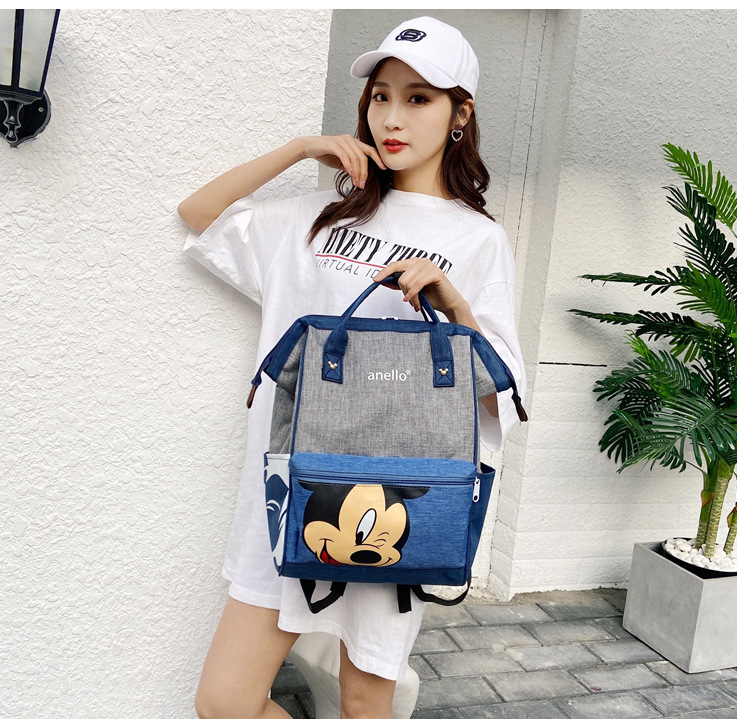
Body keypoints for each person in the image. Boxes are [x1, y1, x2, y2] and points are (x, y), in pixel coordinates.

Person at [178, 16, 526, 719]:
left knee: (366, 705)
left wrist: (454, 302)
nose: (392, 118)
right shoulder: (319, 218)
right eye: (381, 97)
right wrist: (300, 148)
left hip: (401, 499)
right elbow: (198, 214)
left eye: (419, 99)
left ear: (461, 114)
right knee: (224, 702)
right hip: (295, 490)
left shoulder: (478, 240)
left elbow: (501, 396)